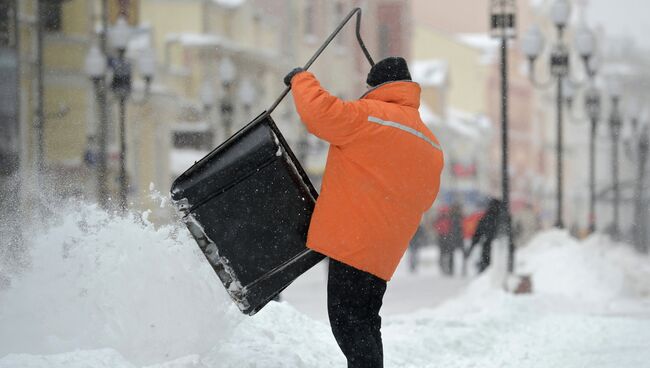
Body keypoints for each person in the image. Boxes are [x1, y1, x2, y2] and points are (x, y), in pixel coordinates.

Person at [284, 57, 444, 367]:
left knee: (348, 322)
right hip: (384, 254)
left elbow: (320, 113)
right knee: (366, 320)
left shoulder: (368, 117)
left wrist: (301, 79)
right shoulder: (430, 142)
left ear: (375, 87)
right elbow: (426, 199)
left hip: (353, 242)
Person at [465, 198, 502, 273]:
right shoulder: (503, 217)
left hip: (487, 246)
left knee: (486, 268)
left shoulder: (486, 217)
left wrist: (472, 247)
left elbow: (478, 233)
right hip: (499, 248)